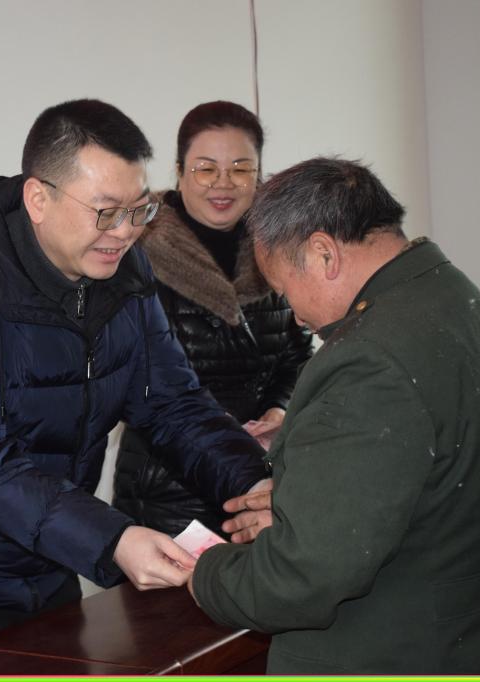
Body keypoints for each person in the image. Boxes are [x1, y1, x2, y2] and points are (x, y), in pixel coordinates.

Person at [0, 99, 269, 670]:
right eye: (106, 212)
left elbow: (173, 403)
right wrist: (112, 539)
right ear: (38, 199)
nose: (125, 232)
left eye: (139, 210)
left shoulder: (124, 272)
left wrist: (256, 482)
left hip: (51, 553)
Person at [188, 158, 480, 674]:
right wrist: (306, 506)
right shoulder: (467, 306)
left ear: (323, 253)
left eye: (285, 291)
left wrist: (205, 571)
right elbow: (439, 491)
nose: (296, 316)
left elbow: (298, 582)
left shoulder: (369, 359)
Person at [114, 101, 312, 539]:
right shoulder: (134, 253)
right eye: (206, 169)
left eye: (240, 169)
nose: (223, 183)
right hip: (167, 491)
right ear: (179, 171)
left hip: (263, 480)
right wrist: (213, 426)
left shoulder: (280, 251)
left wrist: (279, 410)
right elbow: (131, 375)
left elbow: (298, 355)